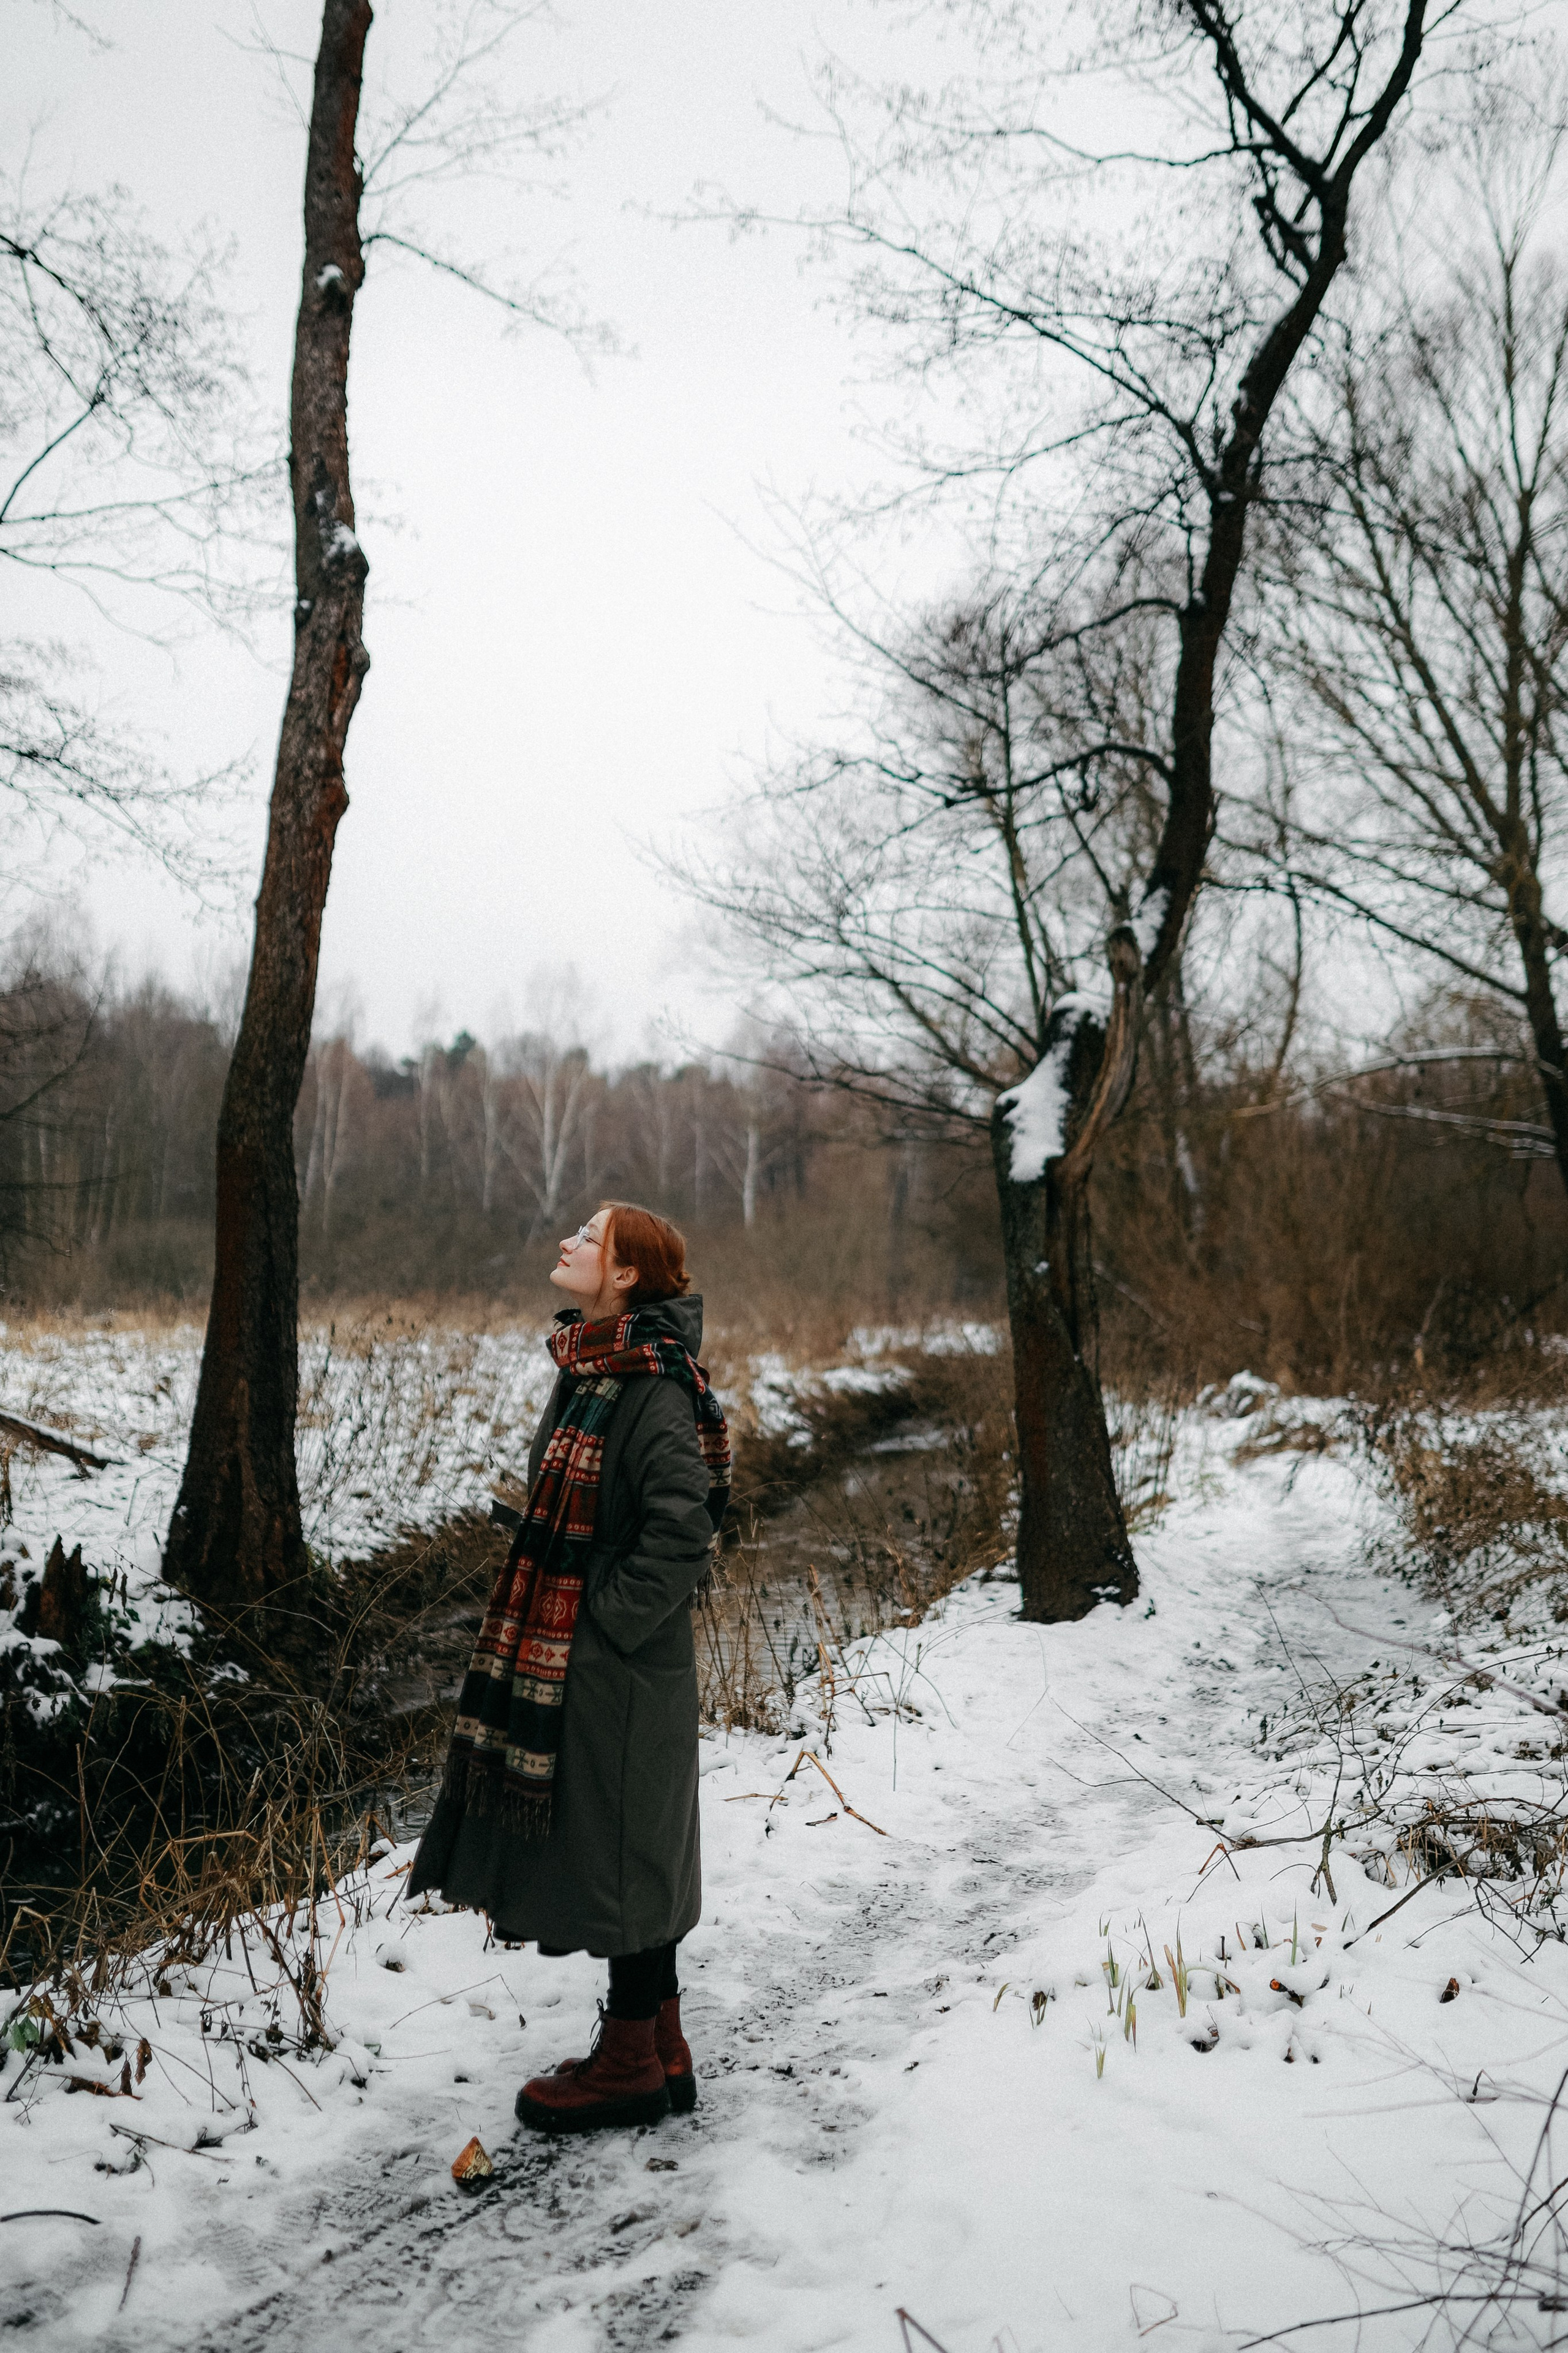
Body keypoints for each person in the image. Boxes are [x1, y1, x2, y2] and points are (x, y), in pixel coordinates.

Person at [407, 1202, 729, 2134]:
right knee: (633, 1845)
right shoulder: (598, 1366)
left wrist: (599, 1620)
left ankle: (628, 2064)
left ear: (625, 1276)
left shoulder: (649, 1384)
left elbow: (685, 1527)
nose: (568, 1244)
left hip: (619, 1661)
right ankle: (660, 2042)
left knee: (628, 1851)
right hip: (608, 1658)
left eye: (589, 1238)